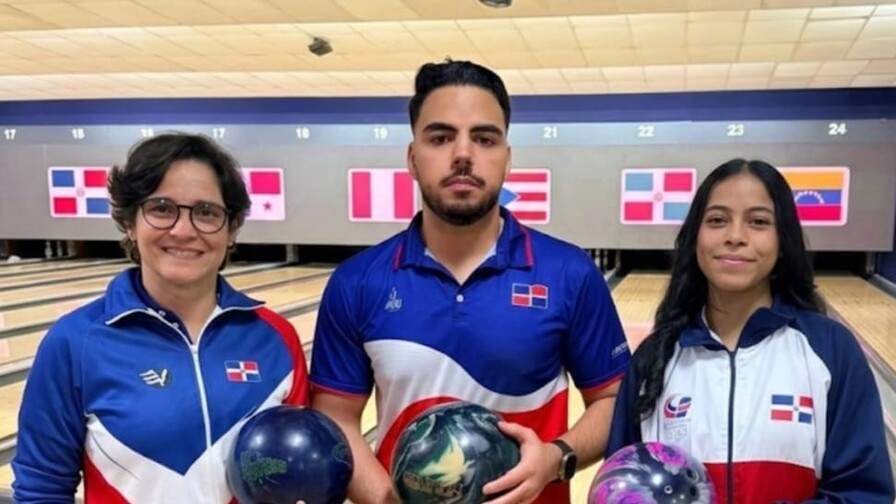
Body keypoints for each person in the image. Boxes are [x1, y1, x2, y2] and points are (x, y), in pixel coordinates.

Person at [309, 59, 631, 504]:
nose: (463, 154)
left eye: (484, 138)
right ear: (412, 157)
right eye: (440, 137)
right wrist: (388, 499)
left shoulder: (569, 273)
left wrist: (557, 458)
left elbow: (614, 398)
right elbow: (336, 419)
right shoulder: (357, 282)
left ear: (507, 158)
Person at [12, 133, 310, 503]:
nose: (183, 231)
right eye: (162, 208)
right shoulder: (76, 343)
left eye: (206, 212)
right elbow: (42, 488)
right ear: (129, 223)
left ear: (232, 230)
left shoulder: (275, 339)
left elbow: (300, 478)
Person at [607, 159, 895, 503]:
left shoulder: (831, 349)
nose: (735, 237)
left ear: (783, 239)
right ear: (694, 236)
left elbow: (863, 494)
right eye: (717, 220)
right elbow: (620, 484)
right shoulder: (655, 358)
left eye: (758, 222)